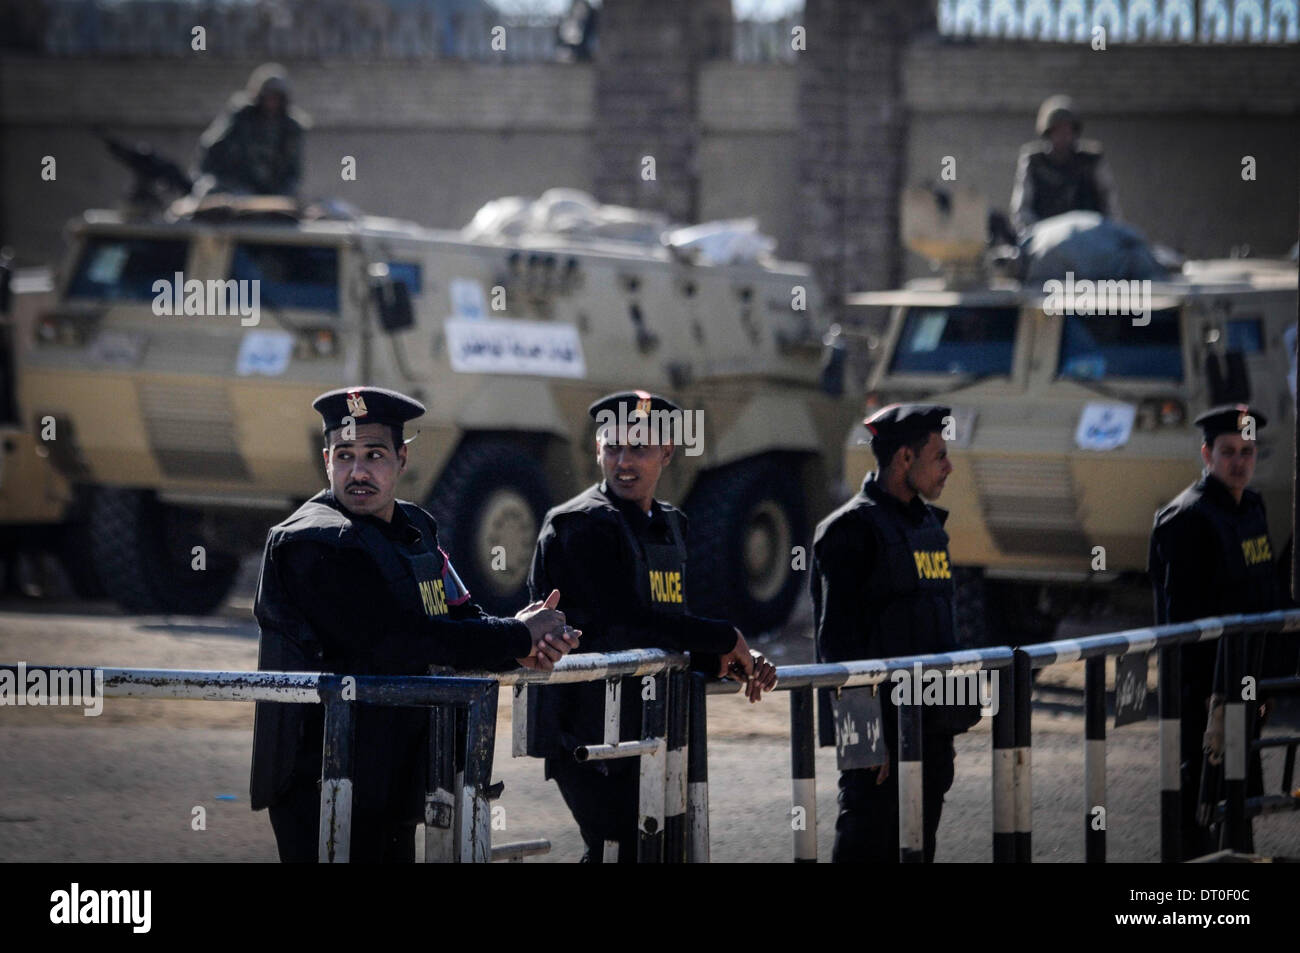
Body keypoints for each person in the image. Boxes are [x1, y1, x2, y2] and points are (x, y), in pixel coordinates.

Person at [249, 386, 579, 862]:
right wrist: (515, 635)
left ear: (402, 459)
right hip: (324, 783)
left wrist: (523, 642)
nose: (358, 471)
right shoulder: (314, 542)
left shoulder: (413, 531)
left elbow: (460, 618)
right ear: (327, 460)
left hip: (394, 780)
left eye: (374, 454)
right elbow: (396, 640)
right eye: (345, 455)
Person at [527, 390, 777, 862]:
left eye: (638, 448)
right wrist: (725, 638)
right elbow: (623, 618)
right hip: (586, 730)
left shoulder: (671, 524)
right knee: (616, 847)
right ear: (597, 448)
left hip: (659, 721)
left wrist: (733, 660)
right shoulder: (578, 525)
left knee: (659, 850)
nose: (623, 461)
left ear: (667, 451)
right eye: (612, 446)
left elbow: (670, 624)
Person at [811, 403, 978, 863]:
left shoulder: (928, 526)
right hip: (878, 746)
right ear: (905, 459)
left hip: (930, 733)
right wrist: (865, 740)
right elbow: (837, 648)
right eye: (939, 456)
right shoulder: (849, 531)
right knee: (865, 849)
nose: (949, 466)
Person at [1149, 404, 1281, 858]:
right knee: (1198, 808)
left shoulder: (1252, 509)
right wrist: (1213, 696)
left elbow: (1265, 599)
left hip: (1244, 687)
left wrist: (1262, 684)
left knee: (1240, 806)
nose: (1239, 462)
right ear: (1206, 454)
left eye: (1247, 451)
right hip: (1203, 695)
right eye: (1228, 452)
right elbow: (1185, 625)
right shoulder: (1186, 518)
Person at [1010, 95, 1121, 234]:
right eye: (1058, 130)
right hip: (1046, 238)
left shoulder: (1091, 161)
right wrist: (1034, 234)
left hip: (1090, 236)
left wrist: (1108, 232)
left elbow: (1109, 204)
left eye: (1068, 130)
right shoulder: (1034, 162)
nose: (1064, 136)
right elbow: (1022, 210)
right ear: (1048, 132)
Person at [196, 63, 306, 197]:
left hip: (272, 190)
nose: (272, 102)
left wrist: (283, 193)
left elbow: (293, 171)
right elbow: (211, 146)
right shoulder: (241, 117)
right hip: (236, 184)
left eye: (277, 98)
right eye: (269, 97)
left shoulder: (291, 127)